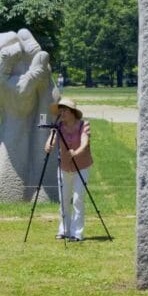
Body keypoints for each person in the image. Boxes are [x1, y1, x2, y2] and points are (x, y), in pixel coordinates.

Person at [44, 97, 92, 242]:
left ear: (72, 112)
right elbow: (51, 139)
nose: (62, 113)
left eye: (65, 111)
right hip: (64, 166)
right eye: (61, 111)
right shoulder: (58, 126)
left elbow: (85, 141)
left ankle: (77, 233)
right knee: (64, 200)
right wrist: (48, 145)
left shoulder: (84, 124)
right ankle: (64, 229)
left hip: (81, 166)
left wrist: (77, 151)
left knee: (78, 199)